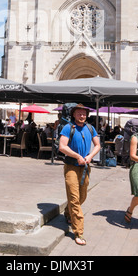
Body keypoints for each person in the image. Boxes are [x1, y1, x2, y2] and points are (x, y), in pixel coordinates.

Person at [59, 104, 100, 246]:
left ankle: (68, 212)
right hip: (71, 166)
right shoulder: (68, 127)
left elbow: (98, 145)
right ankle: (78, 232)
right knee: (74, 199)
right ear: (74, 115)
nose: (82, 116)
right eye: (79, 114)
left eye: (84, 114)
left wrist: (90, 156)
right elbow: (62, 146)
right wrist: (77, 156)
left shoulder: (90, 128)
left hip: (86, 167)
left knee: (82, 196)